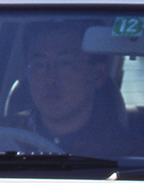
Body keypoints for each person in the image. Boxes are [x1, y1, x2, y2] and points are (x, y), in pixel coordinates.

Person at [16, 23, 129, 157]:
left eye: (65, 63)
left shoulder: (131, 154)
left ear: (98, 74)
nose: (50, 79)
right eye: (39, 64)